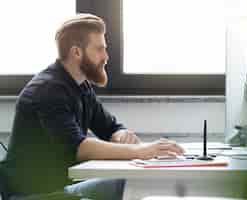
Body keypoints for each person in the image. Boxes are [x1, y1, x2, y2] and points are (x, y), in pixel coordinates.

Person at [1, 13, 184, 200]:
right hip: (32, 195)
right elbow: (78, 148)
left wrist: (120, 135)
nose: (106, 56)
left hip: (62, 189)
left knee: (130, 183)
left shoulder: (81, 85)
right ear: (76, 52)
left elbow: (109, 127)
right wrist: (142, 151)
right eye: (99, 49)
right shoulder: (48, 89)